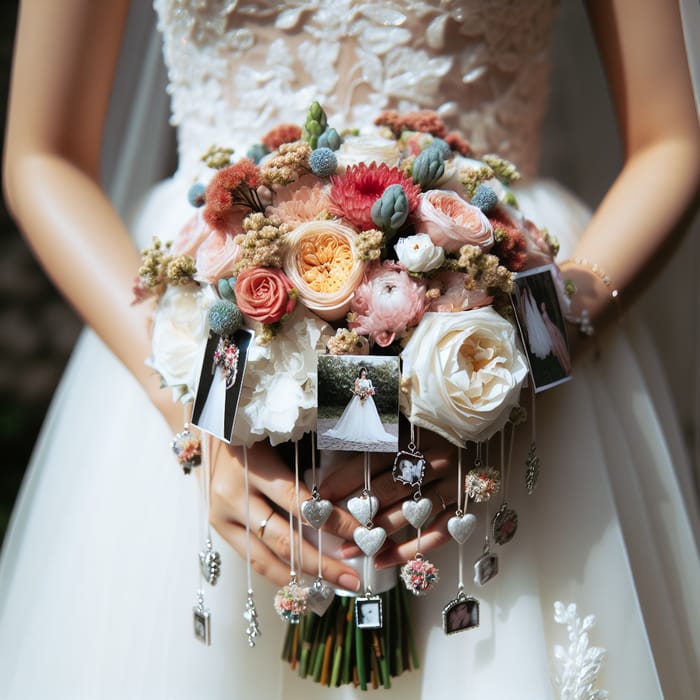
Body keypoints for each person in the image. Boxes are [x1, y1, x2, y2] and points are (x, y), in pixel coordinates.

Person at [0, 1, 699, 699]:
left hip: (499, 291)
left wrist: (526, 354)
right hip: (209, 308)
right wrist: (202, 412)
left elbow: (672, 140)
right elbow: (44, 152)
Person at [323, 367, 396, 447]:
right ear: (361, 372)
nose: (365, 372)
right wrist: (361, 393)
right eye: (363, 371)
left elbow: (373, 392)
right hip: (359, 400)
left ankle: (369, 432)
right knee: (357, 415)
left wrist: (369, 392)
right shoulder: (358, 380)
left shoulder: (369, 381)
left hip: (368, 400)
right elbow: (356, 390)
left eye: (366, 371)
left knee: (369, 416)